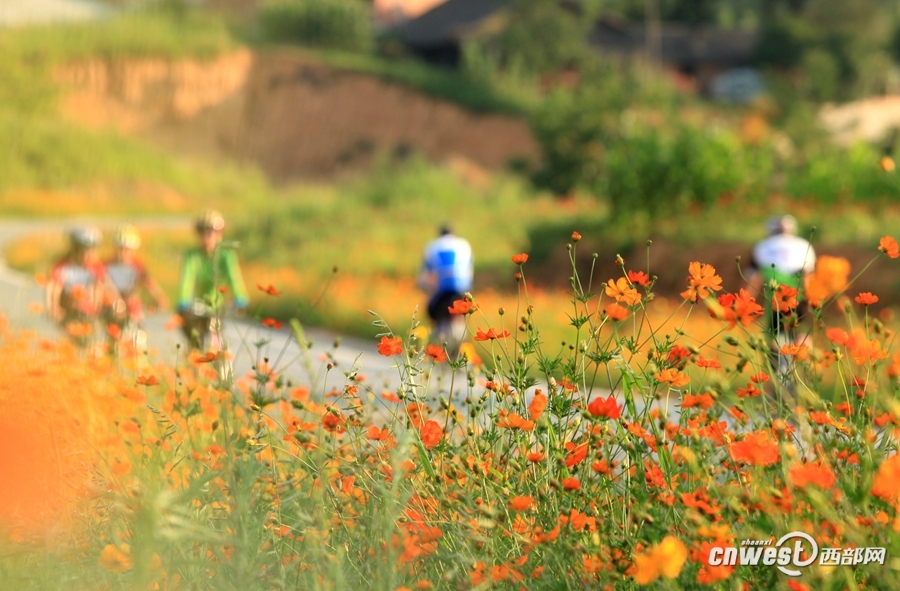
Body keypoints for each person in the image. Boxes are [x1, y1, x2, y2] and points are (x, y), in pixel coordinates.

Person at [177, 210, 249, 350]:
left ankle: (222, 365)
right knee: (193, 337)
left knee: (216, 337)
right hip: (197, 305)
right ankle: (193, 358)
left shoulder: (226, 255)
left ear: (219, 234)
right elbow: (187, 279)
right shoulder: (192, 256)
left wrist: (240, 297)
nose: (208, 236)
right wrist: (183, 299)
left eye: (212, 232)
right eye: (203, 232)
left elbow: (234, 278)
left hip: (218, 306)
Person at [748, 214, 816, 343]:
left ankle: (777, 358)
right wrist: (812, 303)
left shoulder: (762, 246)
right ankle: (805, 358)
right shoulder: (803, 245)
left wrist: (746, 304)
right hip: (798, 296)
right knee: (802, 334)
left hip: (775, 299)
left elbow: (754, 278)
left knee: (775, 336)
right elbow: (809, 277)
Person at [102, 225, 169, 350]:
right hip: (112, 307)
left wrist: (159, 299)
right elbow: (104, 287)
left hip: (131, 308)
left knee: (138, 340)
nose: (122, 253)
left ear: (133, 251)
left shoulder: (137, 266)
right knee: (114, 339)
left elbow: (149, 284)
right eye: (119, 249)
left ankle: (137, 354)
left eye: (126, 250)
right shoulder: (106, 266)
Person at [46, 227, 106, 346]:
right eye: (82, 250)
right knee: (71, 342)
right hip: (68, 310)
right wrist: (53, 309)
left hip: (88, 310)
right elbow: (54, 289)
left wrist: (95, 307)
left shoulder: (96, 267)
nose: (86, 254)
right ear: (74, 249)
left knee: (93, 342)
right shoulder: (62, 266)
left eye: (90, 250)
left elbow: (98, 288)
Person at [417, 225, 473, 354]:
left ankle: (438, 346)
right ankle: (462, 347)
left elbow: (426, 273)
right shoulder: (464, 245)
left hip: (441, 290)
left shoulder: (432, 246)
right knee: (462, 314)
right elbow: (469, 270)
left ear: (440, 234)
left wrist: (424, 287)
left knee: (433, 310)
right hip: (460, 288)